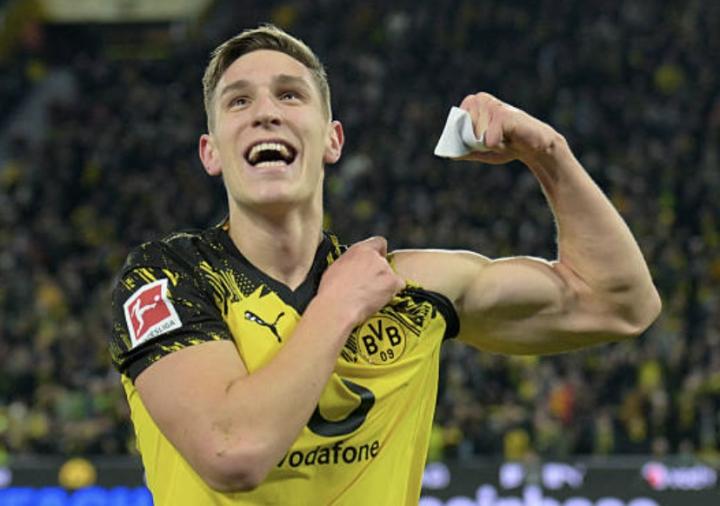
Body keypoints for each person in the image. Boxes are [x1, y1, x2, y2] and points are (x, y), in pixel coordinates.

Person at [109, 24, 661, 505]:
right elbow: (232, 452)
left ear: (333, 140)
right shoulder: (165, 278)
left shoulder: (408, 289)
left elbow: (619, 304)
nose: (266, 113)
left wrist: (548, 154)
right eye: (238, 102)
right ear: (210, 152)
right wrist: (339, 304)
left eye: (290, 95)